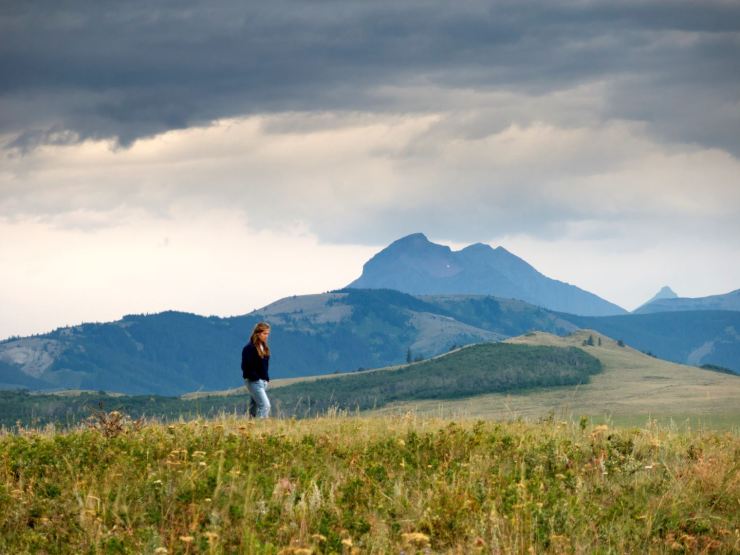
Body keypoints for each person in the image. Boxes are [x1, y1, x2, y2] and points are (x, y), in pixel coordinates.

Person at [241, 322, 272, 418]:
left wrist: (266, 379)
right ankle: (262, 428)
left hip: (262, 382)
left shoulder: (264, 347)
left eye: (268, 334)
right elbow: (245, 367)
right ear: (258, 333)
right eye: (264, 333)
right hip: (253, 381)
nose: (266, 336)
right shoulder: (249, 348)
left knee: (253, 407)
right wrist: (256, 378)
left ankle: (250, 426)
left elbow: (264, 365)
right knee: (265, 406)